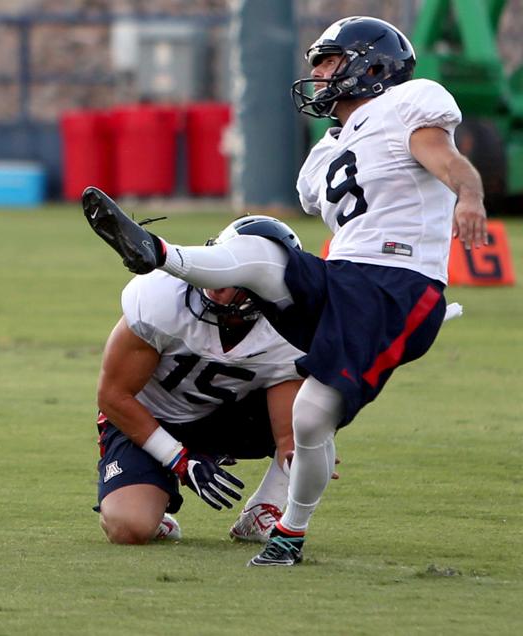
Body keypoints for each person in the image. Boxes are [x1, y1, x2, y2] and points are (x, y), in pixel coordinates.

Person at [83, 16, 488, 567]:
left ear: (372, 65)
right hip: (342, 276)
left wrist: (468, 196)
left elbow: (444, 156)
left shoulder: (407, 103)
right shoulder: (325, 152)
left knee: (309, 417)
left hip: (396, 283)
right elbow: (111, 394)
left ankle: (286, 527)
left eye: (329, 61)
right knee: (263, 256)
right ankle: (159, 255)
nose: (318, 73)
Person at [96, 217, 306, 546]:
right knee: (129, 527)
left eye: (234, 273)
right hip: (149, 417)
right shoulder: (163, 296)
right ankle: (152, 500)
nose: (216, 282)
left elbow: (288, 436)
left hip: (226, 417)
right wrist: (178, 460)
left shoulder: (293, 326)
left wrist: (310, 450)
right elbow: (112, 396)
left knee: (321, 402)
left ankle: (264, 508)